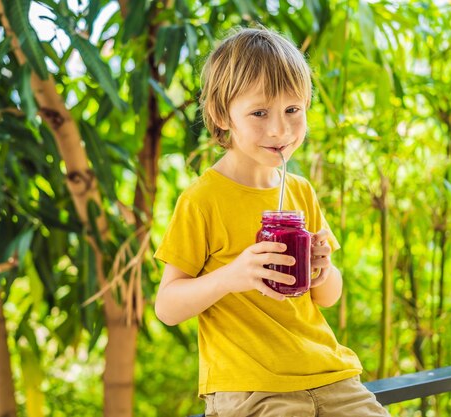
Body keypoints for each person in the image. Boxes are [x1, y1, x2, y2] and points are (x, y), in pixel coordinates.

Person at [154, 27, 389, 417]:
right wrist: (233, 275)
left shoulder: (301, 193)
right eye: (259, 113)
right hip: (251, 388)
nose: (280, 129)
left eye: (293, 110)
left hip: (330, 374)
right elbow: (167, 306)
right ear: (220, 115)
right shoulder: (203, 199)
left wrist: (322, 270)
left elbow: (327, 297)